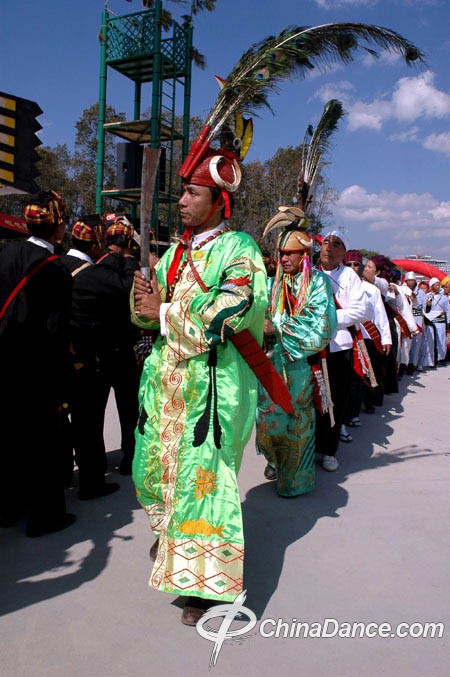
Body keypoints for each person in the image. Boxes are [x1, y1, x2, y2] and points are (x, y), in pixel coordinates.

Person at [131, 148, 268, 625]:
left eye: (192, 193)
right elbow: (146, 313)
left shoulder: (241, 250)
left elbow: (234, 309)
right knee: (154, 471)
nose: (182, 201)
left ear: (218, 202)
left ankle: (205, 585)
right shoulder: (174, 251)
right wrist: (145, 297)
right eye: (183, 192)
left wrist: (164, 312)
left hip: (214, 386)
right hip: (167, 385)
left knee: (204, 483)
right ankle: (174, 538)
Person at [0, 190, 76, 537]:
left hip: (4, 362)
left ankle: (10, 507)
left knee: (10, 437)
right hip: (39, 369)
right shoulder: (54, 269)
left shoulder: (6, 253)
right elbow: (56, 330)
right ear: (58, 226)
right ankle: (45, 516)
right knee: (45, 441)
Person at [255, 207, 336, 496]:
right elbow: (255, 314)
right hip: (270, 364)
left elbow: (320, 325)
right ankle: (274, 459)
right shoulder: (270, 284)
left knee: (298, 421)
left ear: (304, 255)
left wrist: (275, 327)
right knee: (267, 421)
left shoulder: (317, 283)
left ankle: (296, 480)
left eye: (290, 253)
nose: (284, 258)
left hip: (299, 366)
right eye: (281, 253)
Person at [66, 215, 138, 498]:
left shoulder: (93, 267)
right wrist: (132, 261)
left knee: (91, 417)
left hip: (96, 355)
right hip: (118, 352)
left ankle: (92, 467)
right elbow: (128, 290)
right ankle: (129, 459)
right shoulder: (100, 272)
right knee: (129, 410)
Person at [315, 231, 368, 471]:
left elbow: (360, 311)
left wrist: (326, 317)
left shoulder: (349, 277)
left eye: (336, 244)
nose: (329, 248)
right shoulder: (309, 274)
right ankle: (307, 449)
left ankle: (329, 450)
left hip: (338, 348)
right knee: (309, 400)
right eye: (326, 243)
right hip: (310, 345)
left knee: (334, 401)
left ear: (343, 252)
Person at [425, 277, 448, 364]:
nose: (438, 286)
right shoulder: (427, 296)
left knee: (441, 339)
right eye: (436, 285)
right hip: (430, 322)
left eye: (439, 285)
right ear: (432, 286)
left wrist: (448, 322)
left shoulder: (444, 298)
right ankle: (431, 359)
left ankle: (441, 358)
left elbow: (448, 310)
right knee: (430, 340)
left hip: (441, 321)